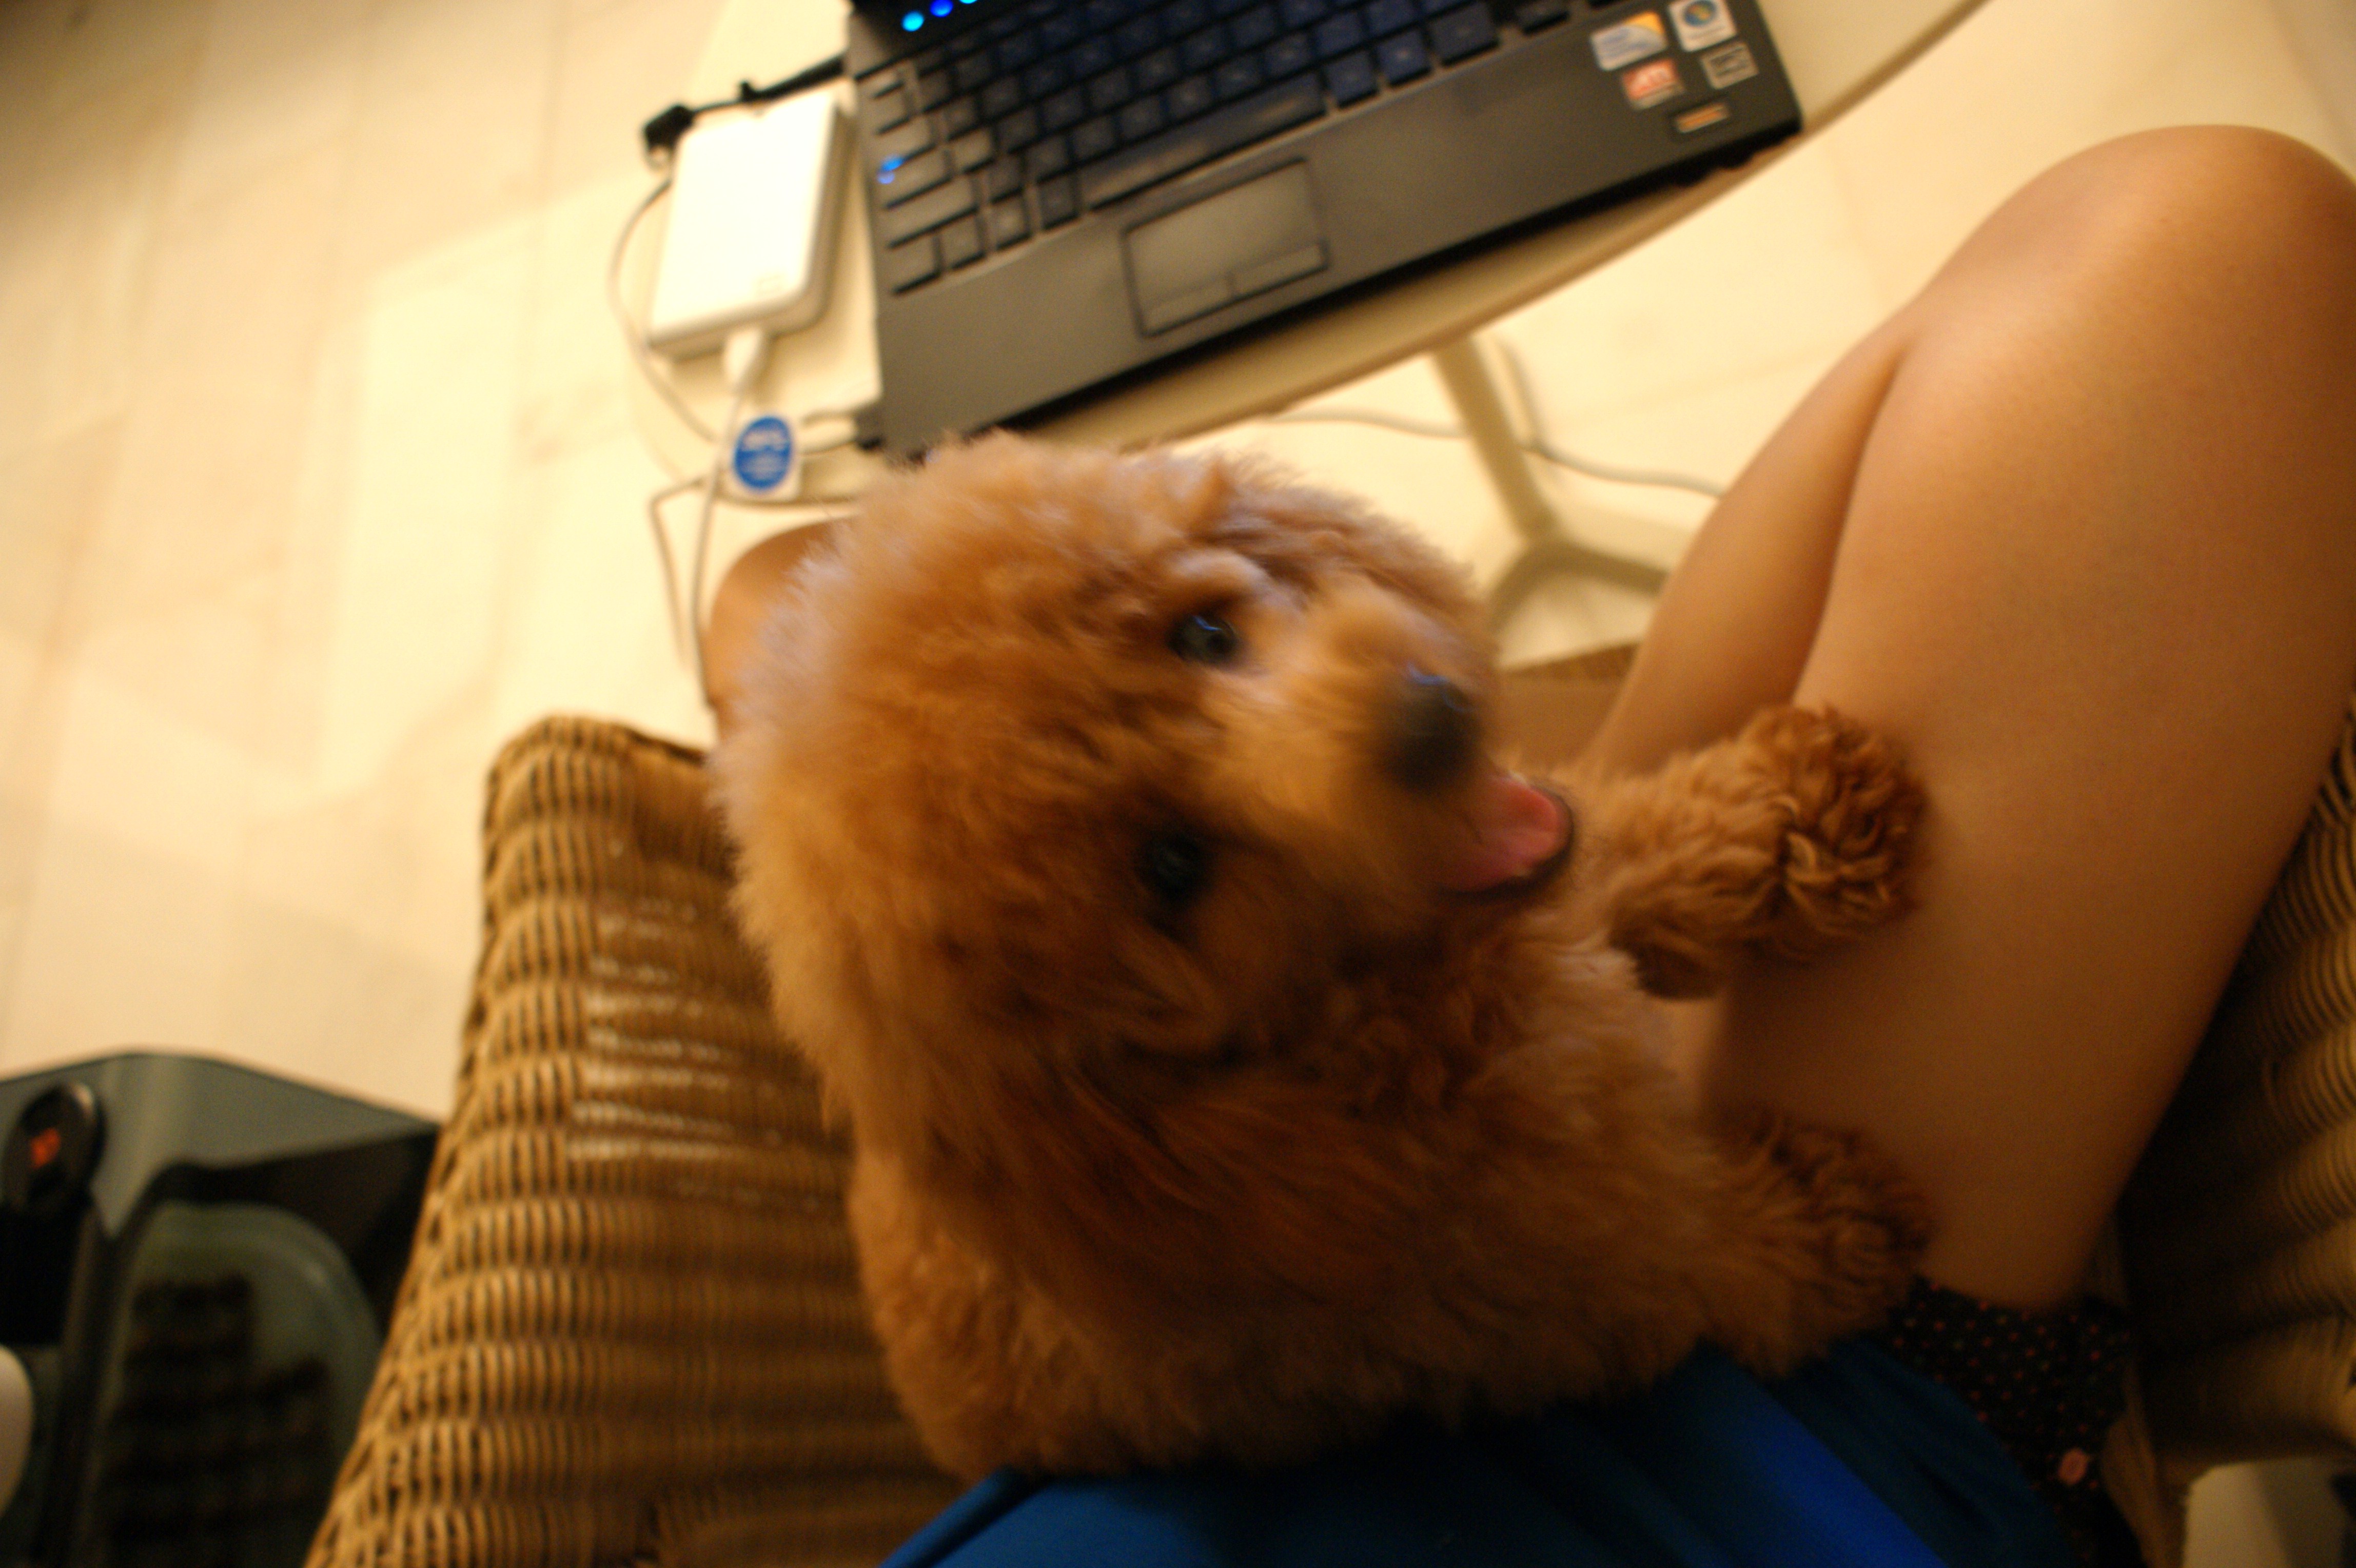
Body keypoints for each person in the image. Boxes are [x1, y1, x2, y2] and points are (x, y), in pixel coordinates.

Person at [702, 127, 2356, 1566]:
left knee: (773, 596)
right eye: (1176, 871)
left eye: (1212, 633)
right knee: (2211, 238)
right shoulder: (1322, 1217)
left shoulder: (1110, 1036)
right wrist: (1737, 1241)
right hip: (1709, 1443)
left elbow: (1515, 894)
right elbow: (1575, 1279)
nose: (1381, 718)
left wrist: (1658, 845)